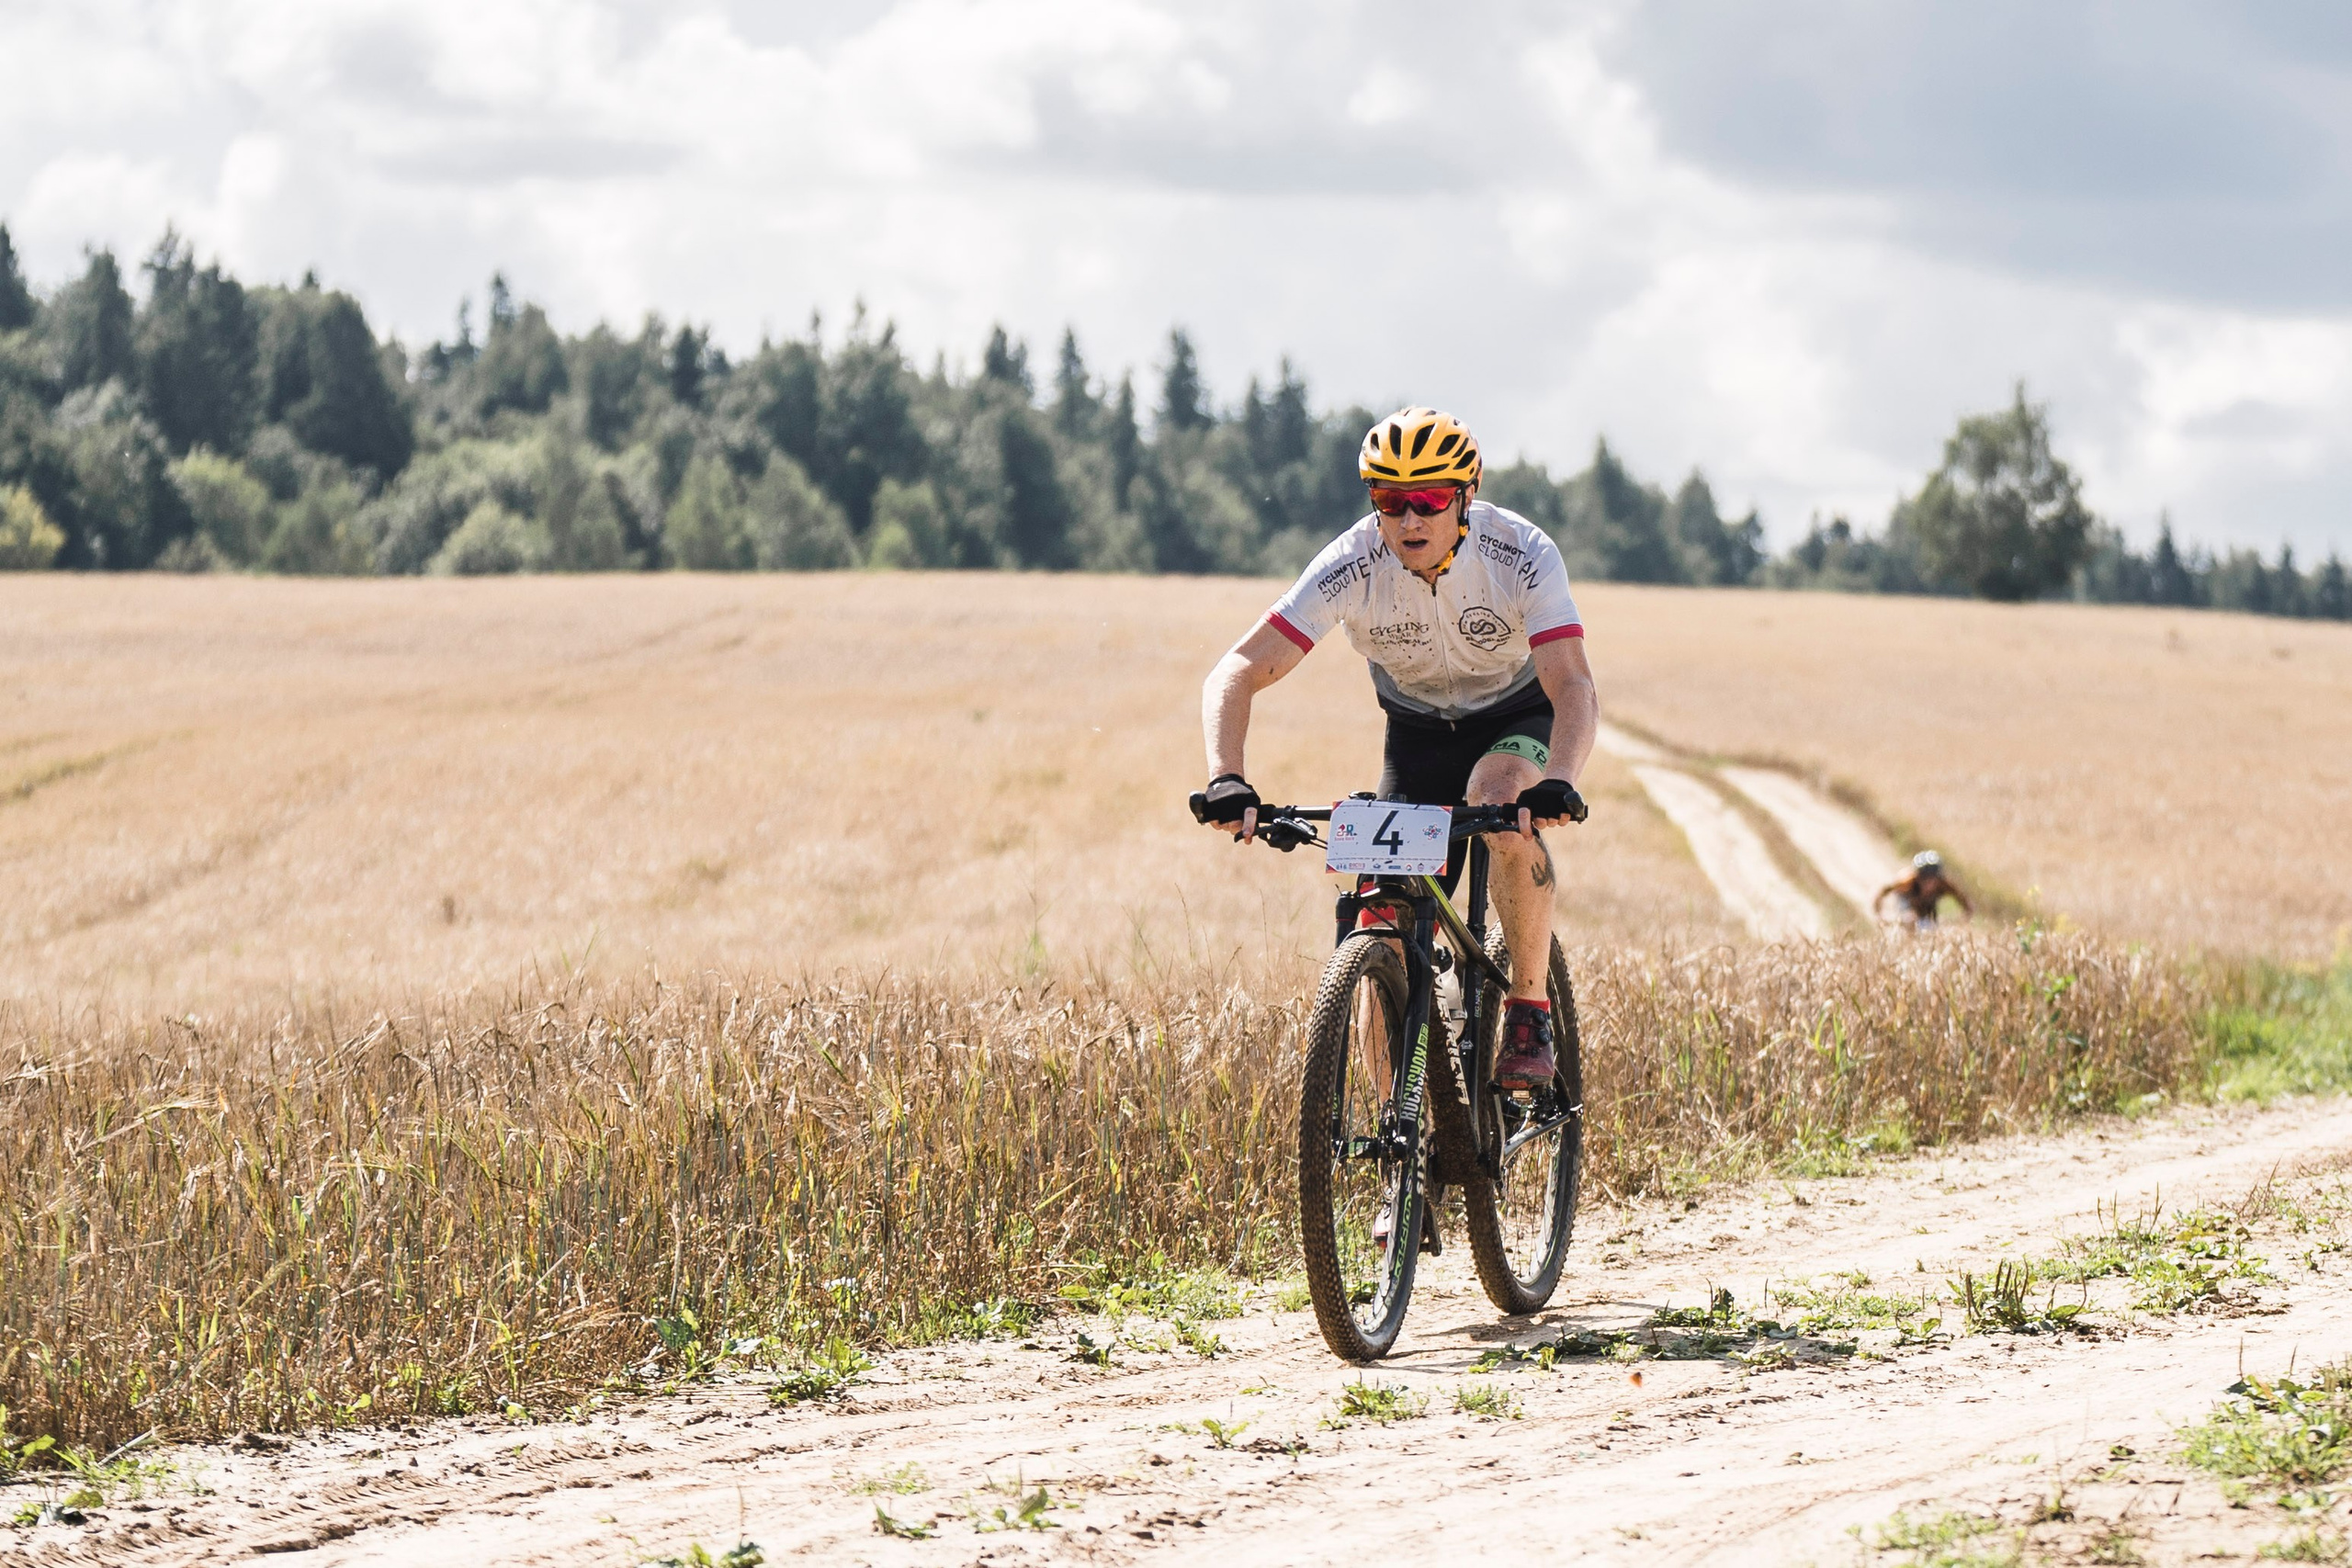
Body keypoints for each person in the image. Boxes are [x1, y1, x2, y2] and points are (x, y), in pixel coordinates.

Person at [1194, 407, 1599, 1090]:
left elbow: (1573, 683)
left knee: (1498, 798)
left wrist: (1558, 777)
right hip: (1416, 734)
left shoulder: (1521, 553)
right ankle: (1398, 1132)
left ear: (1465, 497)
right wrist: (1226, 777)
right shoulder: (1353, 562)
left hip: (1515, 714)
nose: (1410, 519)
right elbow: (1237, 670)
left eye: (1430, 499)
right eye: (1389, 500)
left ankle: (1528, 1010)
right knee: (1382, 919)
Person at [1875, 851, 1973, 931]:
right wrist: (1879, 914)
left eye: (1932, 878)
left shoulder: (1945, 884)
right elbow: (1882, 891)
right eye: (1924, 878)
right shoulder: (1906, 880)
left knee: (1933, 926)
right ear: (1917, 877)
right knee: (1910, 919)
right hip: (1908, 901)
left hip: (1928, 905)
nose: (1928, 883)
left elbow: (1965, 901)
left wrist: (1963, 918)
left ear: (1938, 878)